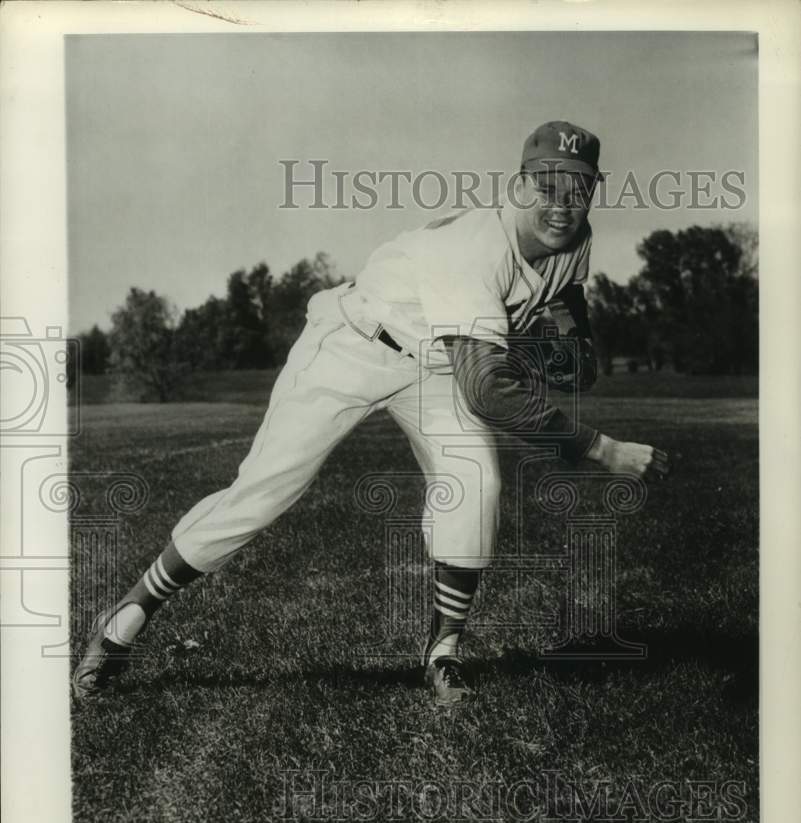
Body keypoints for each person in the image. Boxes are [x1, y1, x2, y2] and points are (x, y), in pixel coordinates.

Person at [72, 120, 669, 707]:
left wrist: (577, 341)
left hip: (435, 365)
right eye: (547, 185)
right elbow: (488, 390)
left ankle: (444, 651)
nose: (563, 203)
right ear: (518, 186)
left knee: (475, 480)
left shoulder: (576, 235)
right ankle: (125, 618)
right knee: (262, 492)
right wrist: (602, 450)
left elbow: (567, 294)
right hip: (354, 345)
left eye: (579, 187)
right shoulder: (475, 248)